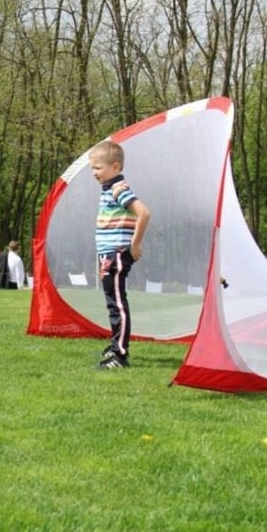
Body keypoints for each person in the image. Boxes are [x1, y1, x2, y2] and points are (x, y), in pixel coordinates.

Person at [89, 140, 151, 369]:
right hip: (108, 255)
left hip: (116, 254)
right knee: (112, 302)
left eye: (98, 168)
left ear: (115, 167)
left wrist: (134, 245)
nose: (94, 173)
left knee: (117, 304)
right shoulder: (108, 190)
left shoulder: (118, 189)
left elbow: (144, 214)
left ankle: (119, 354)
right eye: (92, 168)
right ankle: (116, 343)